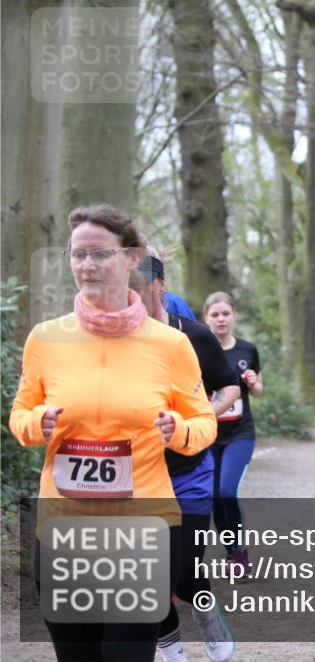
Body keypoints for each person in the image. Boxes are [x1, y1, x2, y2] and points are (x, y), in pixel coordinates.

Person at [9, 204, 217, 662]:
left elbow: (204, 424)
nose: (87, 266)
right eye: (77, 255)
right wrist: (34, 423)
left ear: (131, 259)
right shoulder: (46, 339)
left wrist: (177, 429)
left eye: (100, 254)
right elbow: (20, 414)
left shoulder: (171, 344)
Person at [129, 253, 240, 662]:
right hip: (138, 474)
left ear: (161, 285)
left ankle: (206, 613)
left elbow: (230, 387)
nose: (131, 292)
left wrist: (199, 418)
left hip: (189, 469)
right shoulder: (114, 341)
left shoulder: (193, 336)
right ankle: (170, 647)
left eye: (140, 282)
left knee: (186, 569)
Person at [203, 291, 263, 572]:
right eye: (215, 314)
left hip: (240, 432)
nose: (221, 319)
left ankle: (240, 551)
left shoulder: (247, 350)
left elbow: (259, 390)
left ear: (233, 316)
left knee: (227, 490)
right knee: (214, 496)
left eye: (225, 313)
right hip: (210, 433)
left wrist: (252, 382)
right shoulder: (200, 348)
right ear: (206, 319)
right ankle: (232, 554)